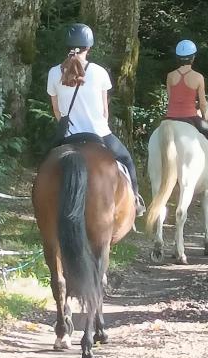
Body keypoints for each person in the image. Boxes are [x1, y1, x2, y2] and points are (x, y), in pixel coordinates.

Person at [47, 23, 146, 216]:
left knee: (46, 166)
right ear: (89, 47)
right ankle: (136, 201)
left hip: (68, 136)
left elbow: (57, 111)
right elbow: (104, 113)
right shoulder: (99, 72)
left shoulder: (53, 73)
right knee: (126, 159)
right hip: (99, 134)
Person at [164, 39, 208, 185]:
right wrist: (204, 117)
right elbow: (203, 104)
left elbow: (171, 98)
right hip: (189, 117)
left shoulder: (170, 76)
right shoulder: (198, 77)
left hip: (170, 117)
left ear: (178, 57)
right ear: (193, 57)